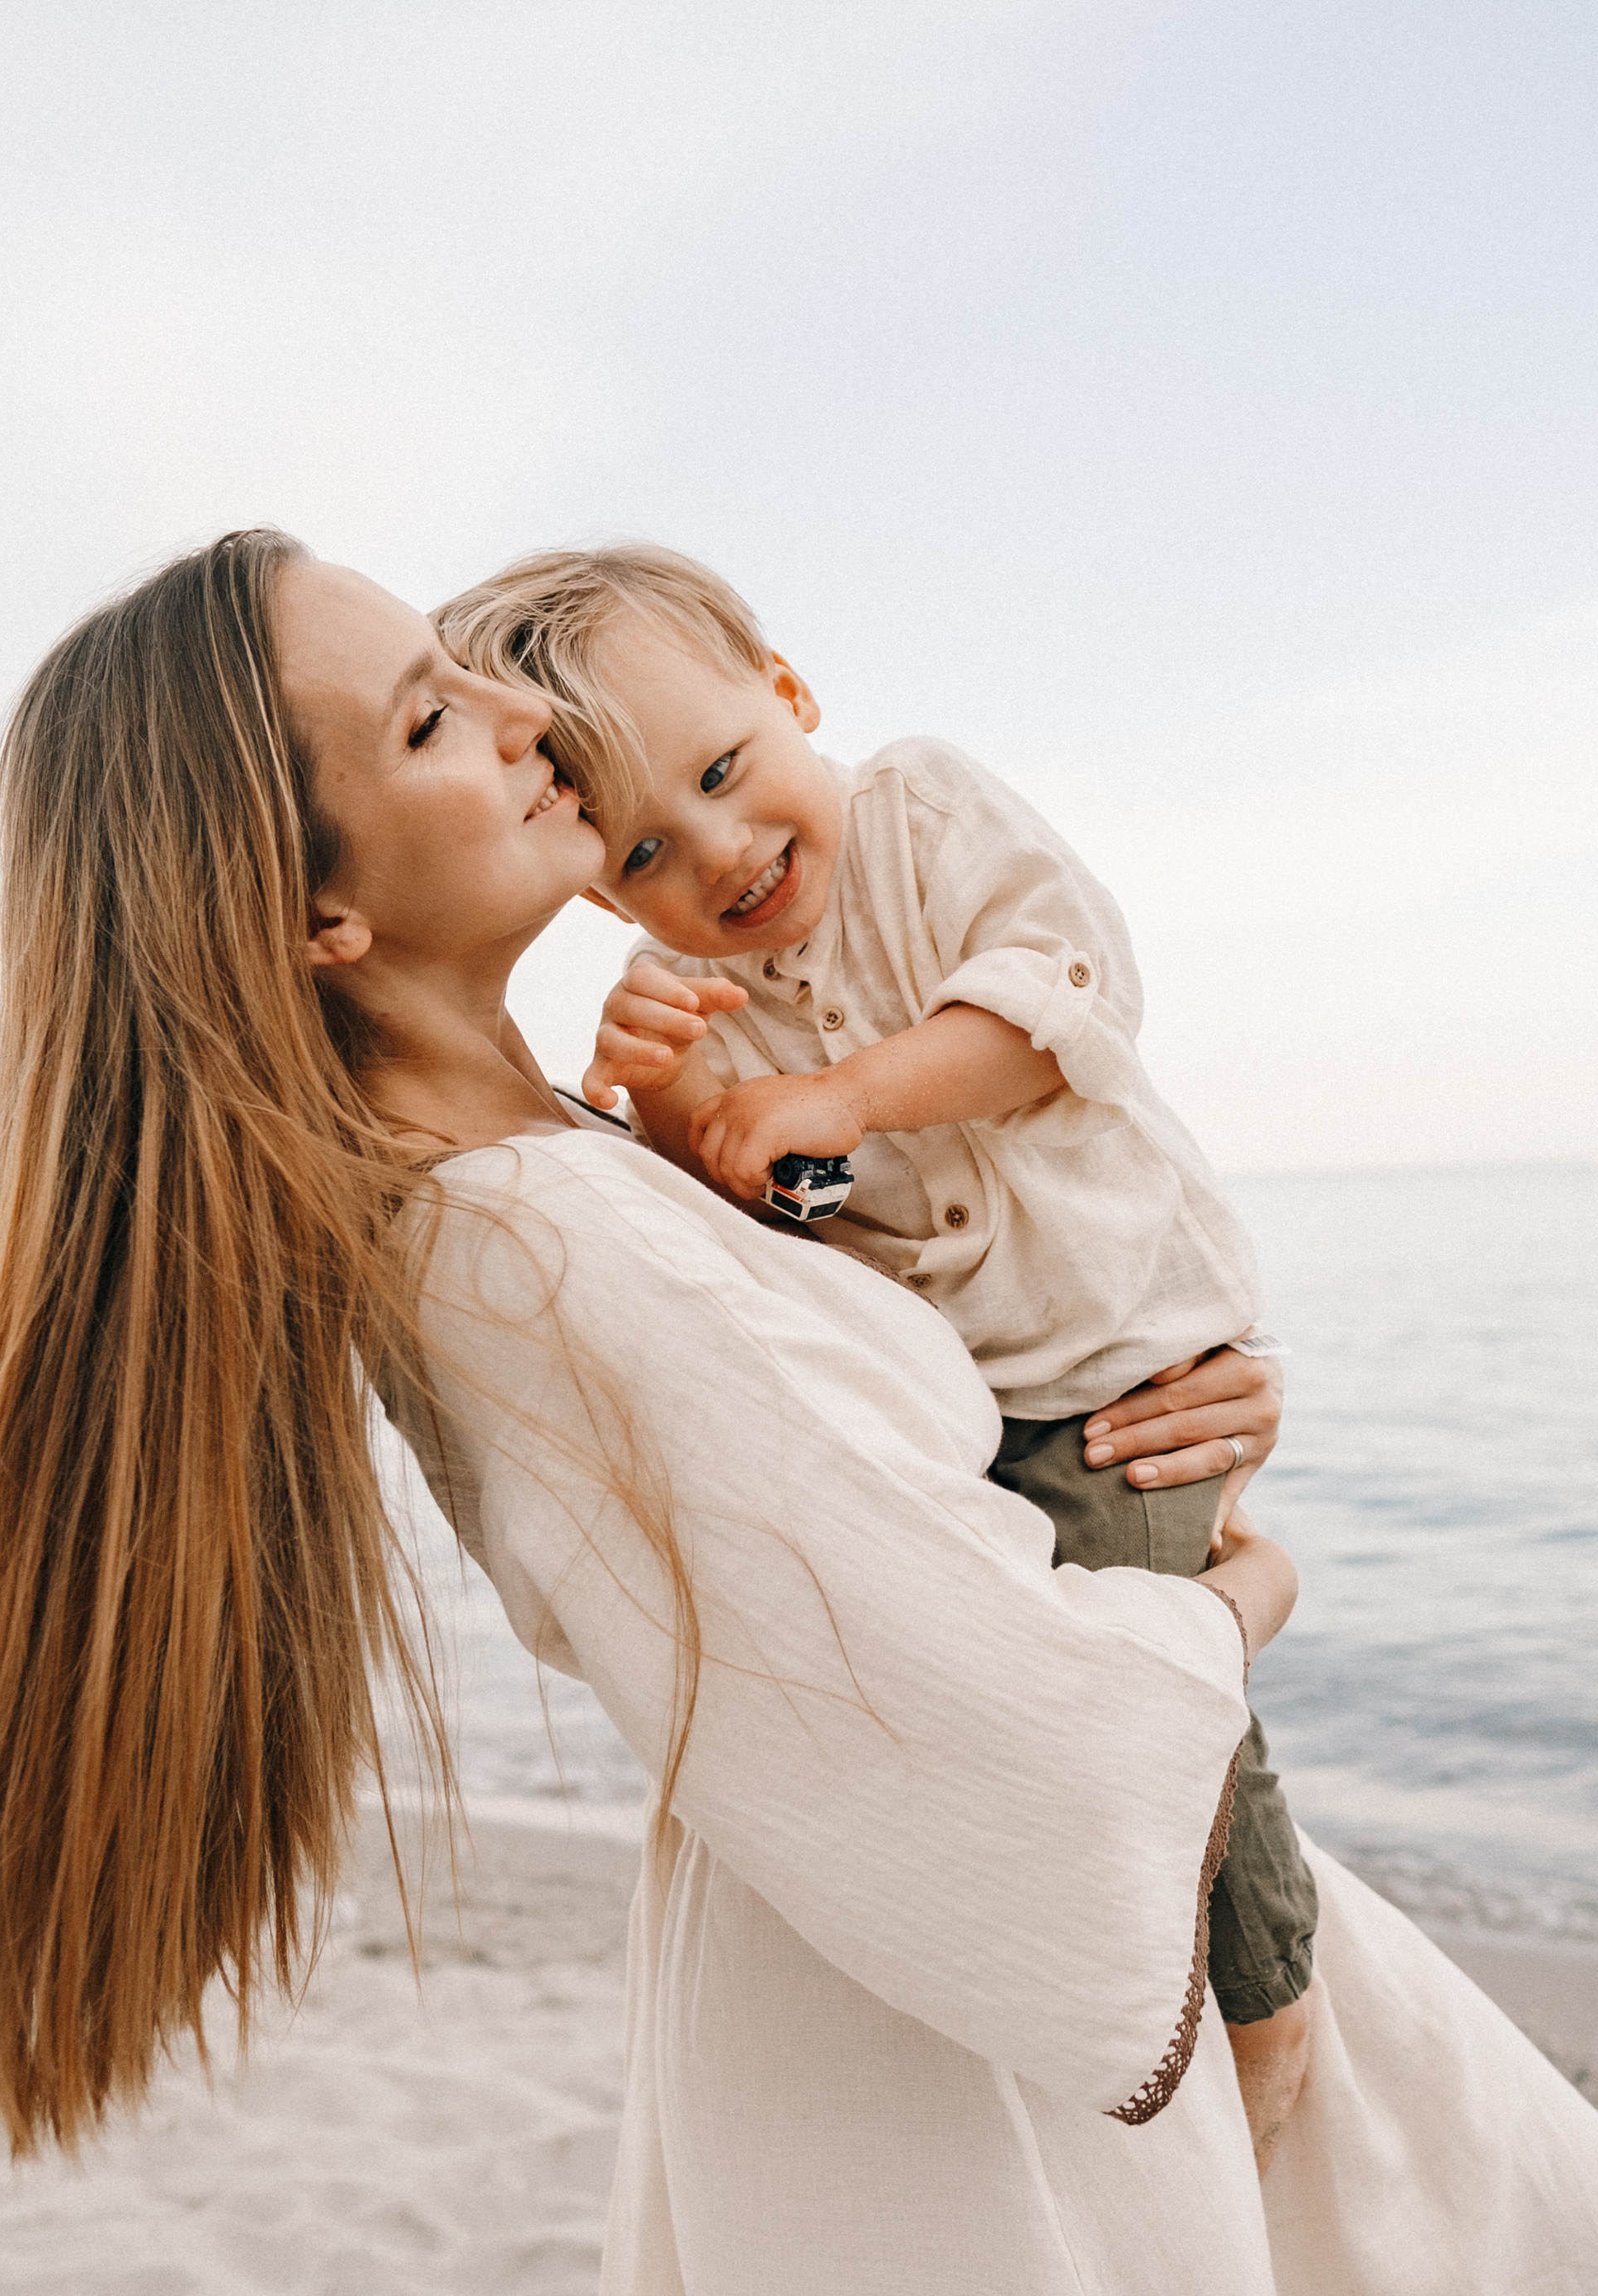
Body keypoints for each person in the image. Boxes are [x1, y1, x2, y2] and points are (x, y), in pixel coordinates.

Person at [0, 532, 1598, 2296]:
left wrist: (1150, 1392)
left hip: (879, 1937)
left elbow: (896, 1406)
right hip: (940, 2018)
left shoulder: (548, 1163)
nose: (515, 723)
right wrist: (1235, 1588)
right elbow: (1021, 1751)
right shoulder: (528, 1242)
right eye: (430, 723)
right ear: (317, 919)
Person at [435, 545, 1318, 2164]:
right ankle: (1112, 2002)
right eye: (646, 846)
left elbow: (1061, 1009)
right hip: (971, 1392)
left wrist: (833, 1098)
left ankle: (1262, 2011)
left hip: (1119, 1361)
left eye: (725, 768)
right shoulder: (685, 998)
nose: (721, 849)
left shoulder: (919, 814)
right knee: (1045, 1691)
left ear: (787, 693)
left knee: (1156, 1690)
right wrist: (685, 1126)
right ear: (591, 885)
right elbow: (813, 1226)